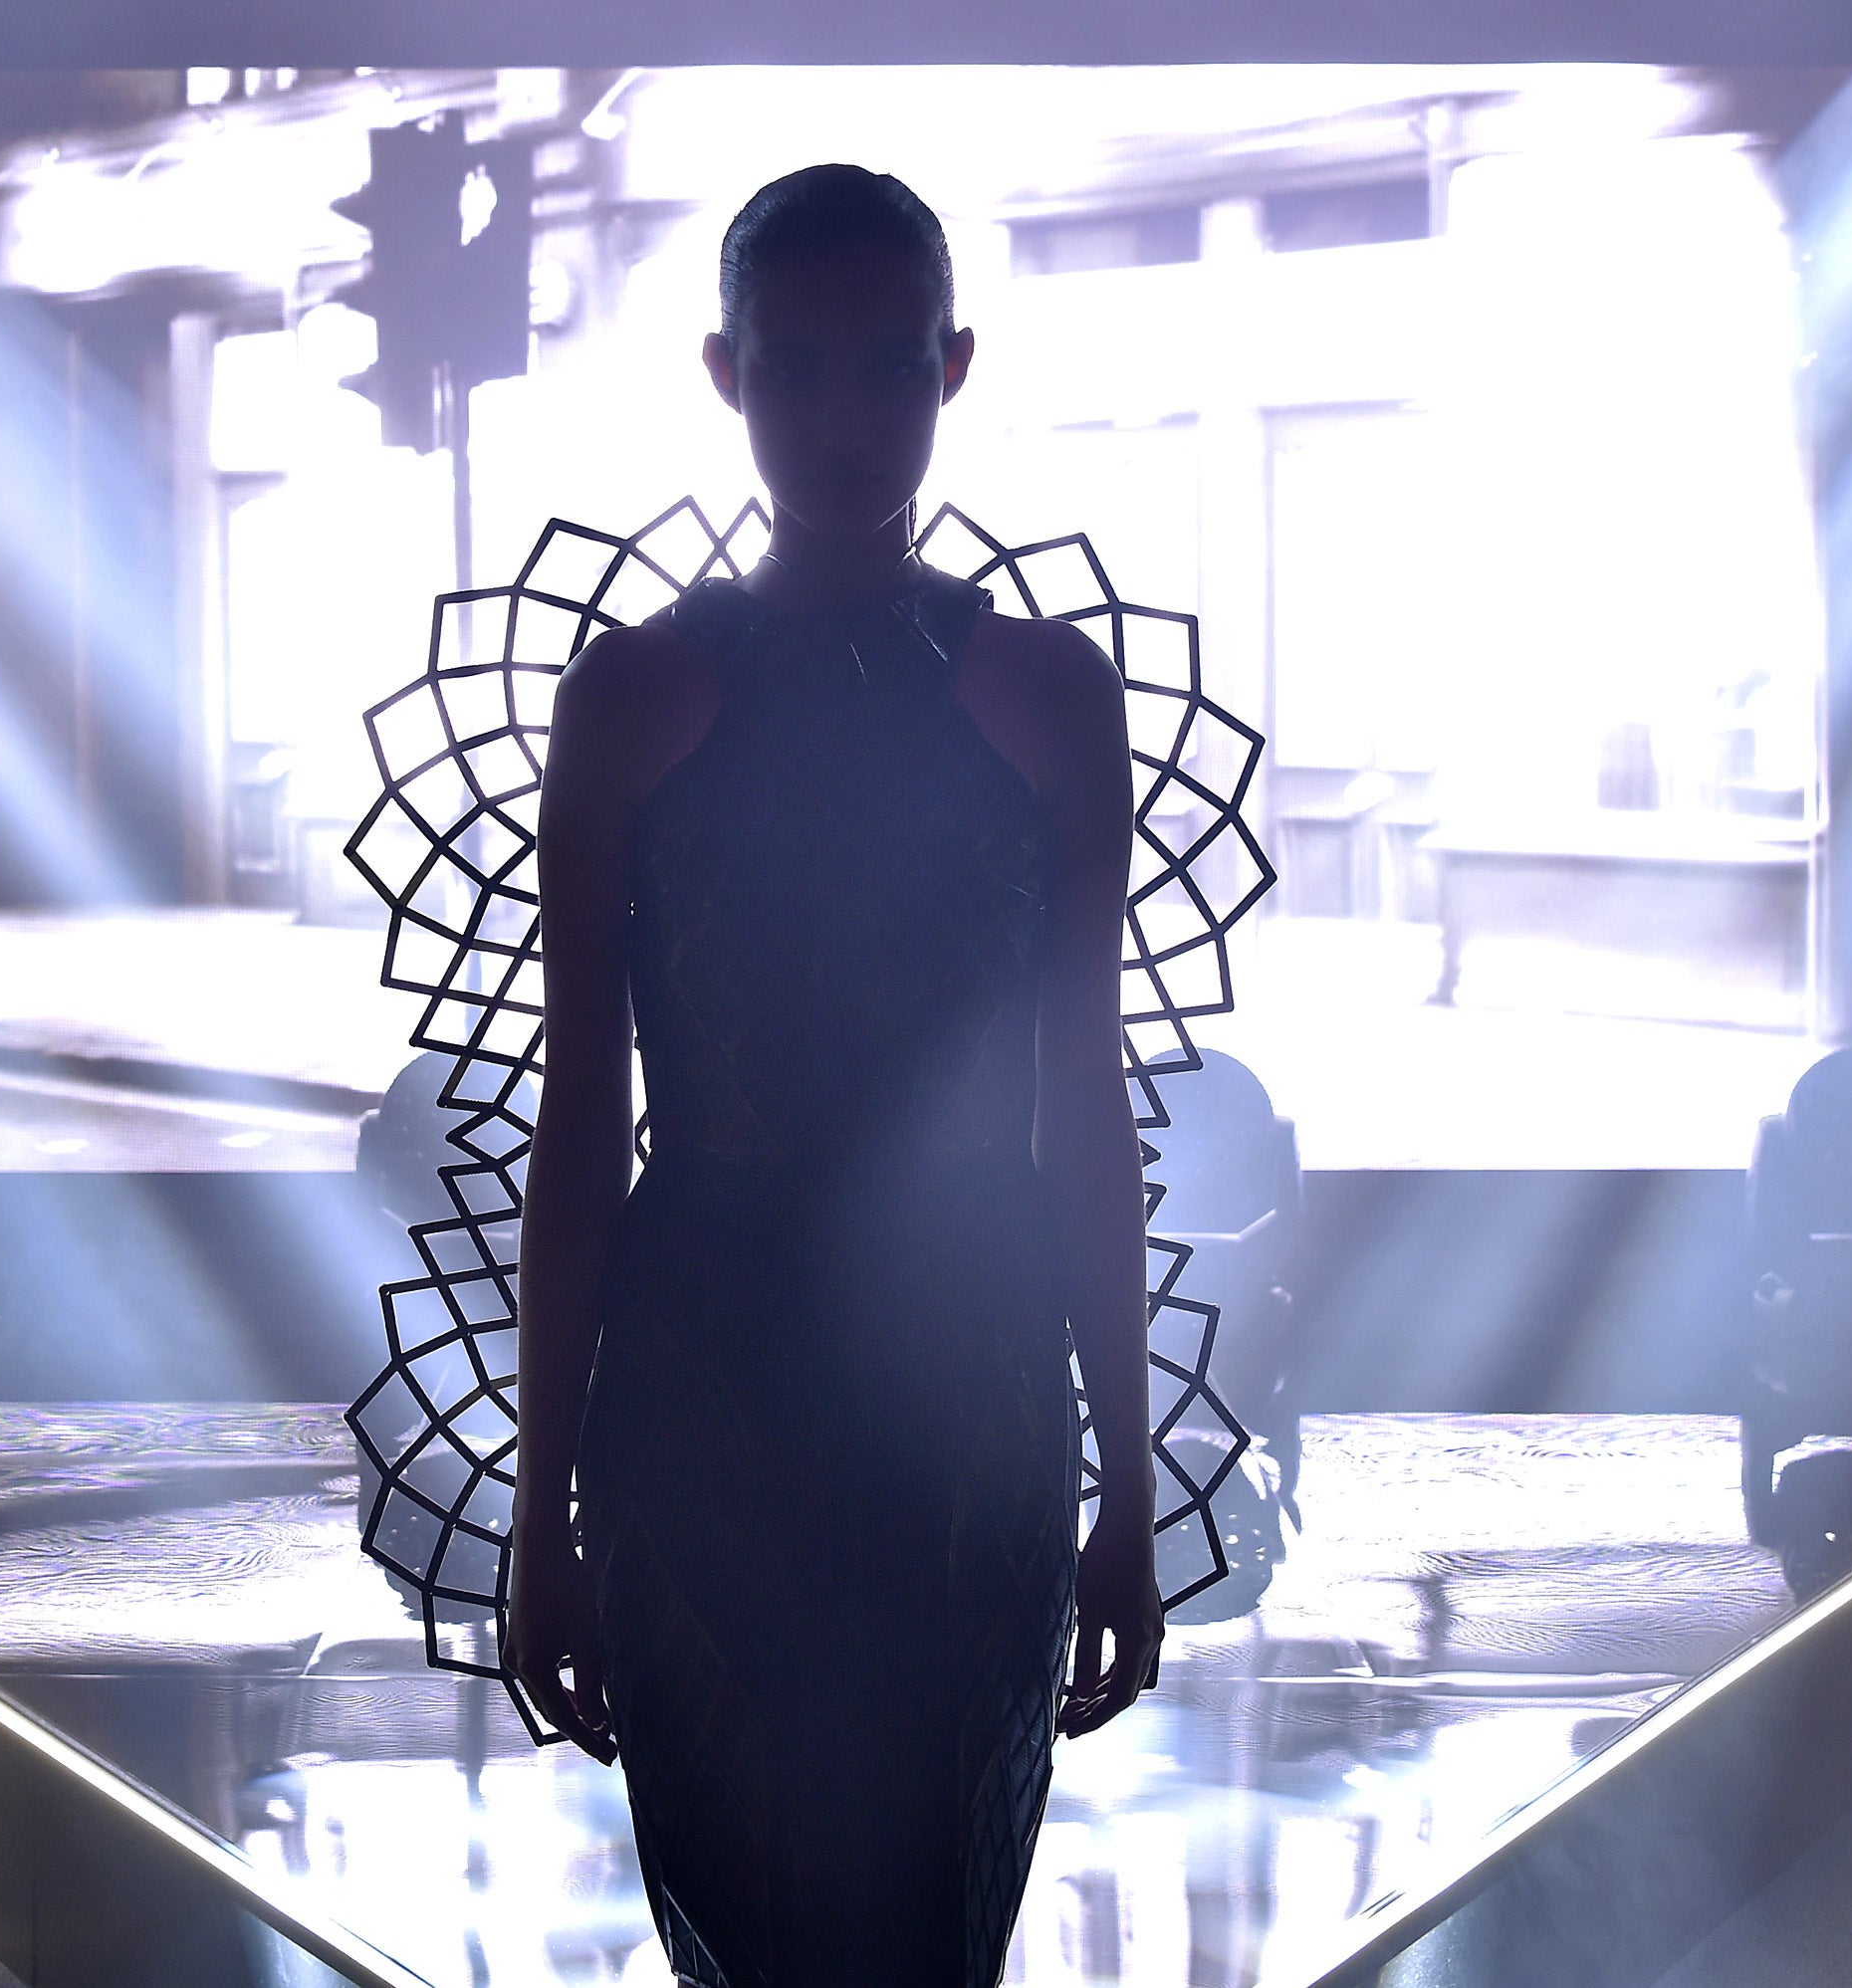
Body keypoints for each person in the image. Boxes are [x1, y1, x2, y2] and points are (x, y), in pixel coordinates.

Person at [505, 163, 1163, 1988]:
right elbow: (578, 1110)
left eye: (884, 368)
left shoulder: (1052, 694)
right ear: (726, 372)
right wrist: (541, 1513)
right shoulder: (631, 695)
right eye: (799, 369)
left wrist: (1125, 1488)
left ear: (954, 367)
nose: (843, 417)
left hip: (967, 1405)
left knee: (924, 1923)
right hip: (705, 1396)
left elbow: (1086, 1100)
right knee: (756, 1917)